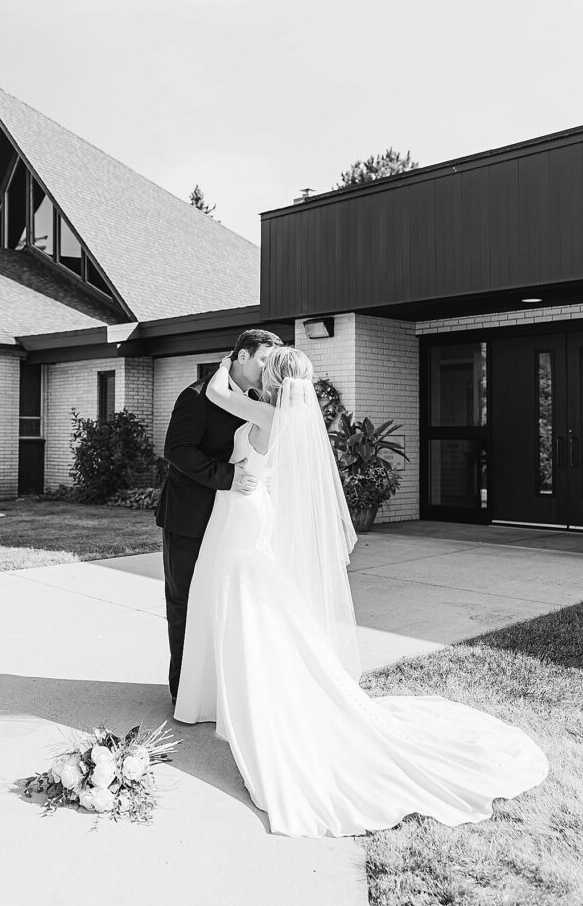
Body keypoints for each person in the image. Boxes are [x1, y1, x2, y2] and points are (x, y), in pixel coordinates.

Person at [173, 346, 549, 838]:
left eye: (266, 366)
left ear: (278, 381)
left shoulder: (265, 412)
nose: (259, 369)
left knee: (249, 605)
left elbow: (222, 390)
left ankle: (257, 697)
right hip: (245, 509)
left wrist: (229, 360)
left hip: (243, 514)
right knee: (254, 607)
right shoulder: (282, 416)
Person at [155, 329, 284, 706]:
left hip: (234, 522)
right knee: (185, 602)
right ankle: (185, 689)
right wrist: (229, 478)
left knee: (226, 604)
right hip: (190, 518)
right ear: (241, 357)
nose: (267, 368)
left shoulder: (259, 399)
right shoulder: (195, 396)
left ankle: (217, 688)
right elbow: (176, 451)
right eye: (263, 359)